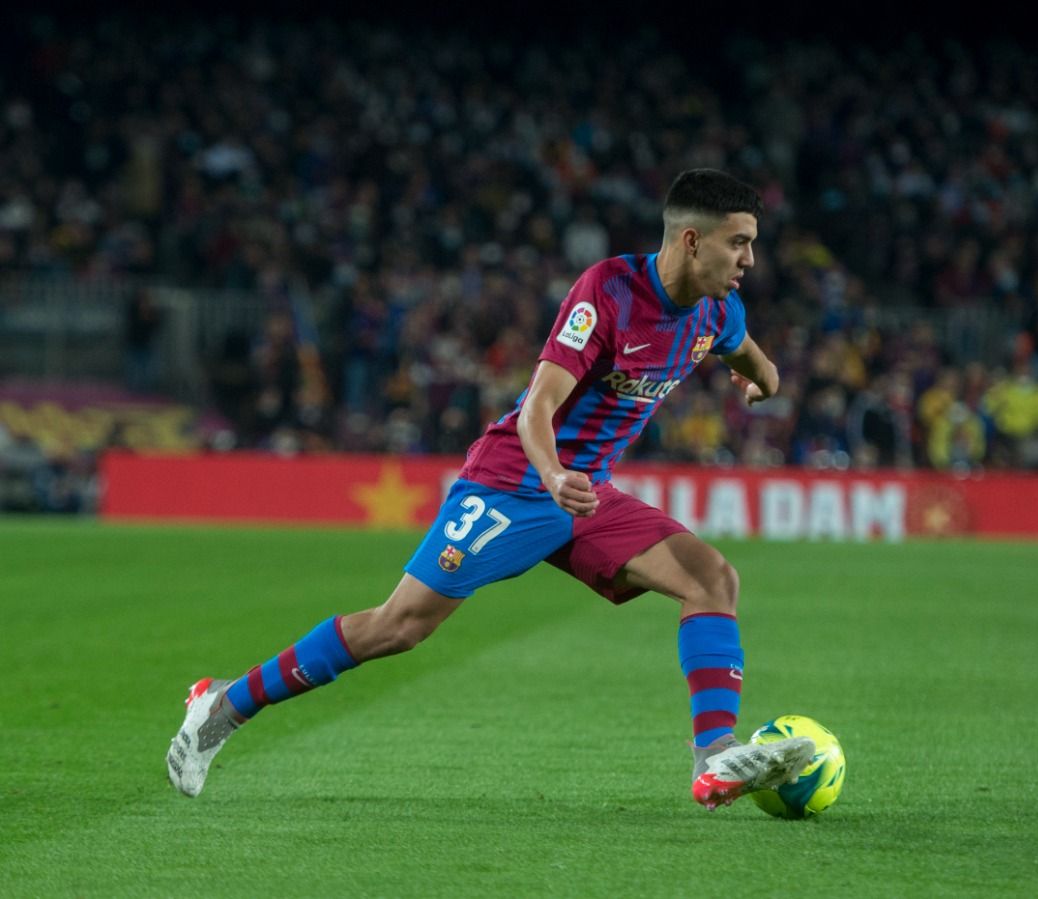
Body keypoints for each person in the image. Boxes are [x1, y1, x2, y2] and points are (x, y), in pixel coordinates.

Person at [166, 169, 815, 811]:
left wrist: (762, 381)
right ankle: (221, 706)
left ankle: (715, 756)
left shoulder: (720, 310)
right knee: (399, 626)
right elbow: (538, 407)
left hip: (585, 496)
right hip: (517, 479)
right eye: (740, 243)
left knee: (712, 578)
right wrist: (554, 473)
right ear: (693, 241)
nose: (750, 259)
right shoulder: (609, 292)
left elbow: (759, 363)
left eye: (752, 243)